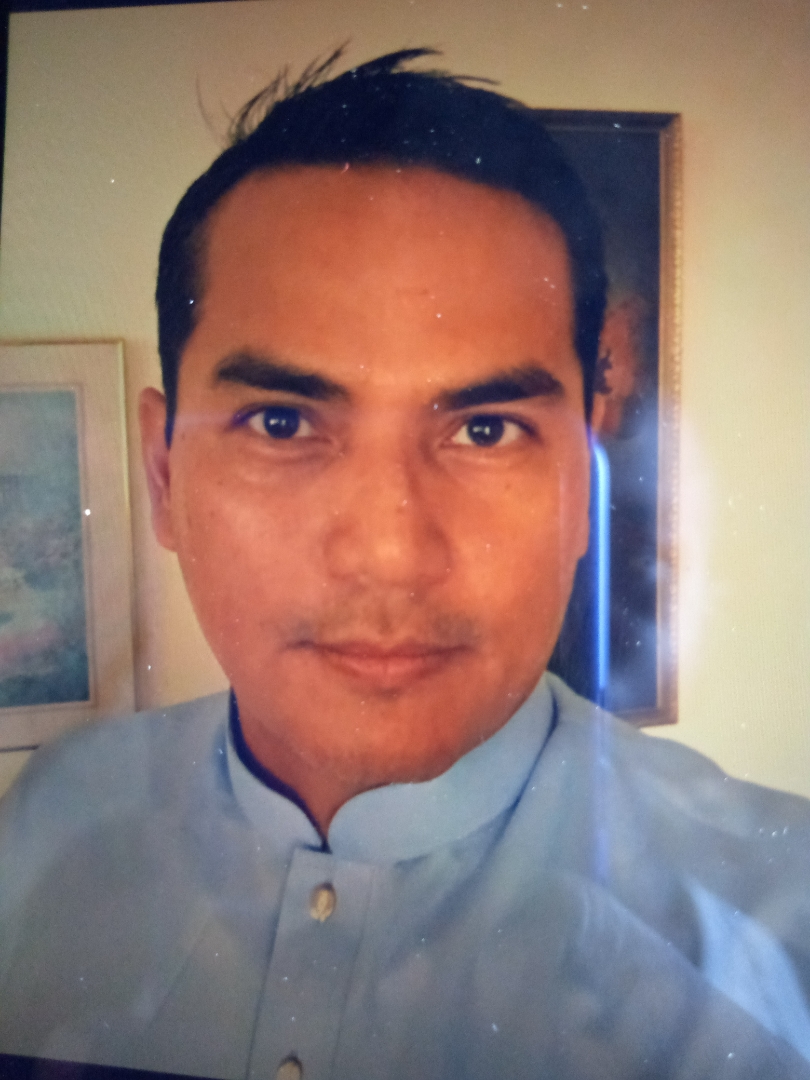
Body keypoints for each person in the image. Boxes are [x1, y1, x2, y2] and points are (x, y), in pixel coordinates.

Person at [1, 48, 810, 1080]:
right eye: (282, 421)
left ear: (582, 489)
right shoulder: (49, 817)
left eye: (486, 430)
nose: (390, 554)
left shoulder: (781, 922)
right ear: (164, 476)